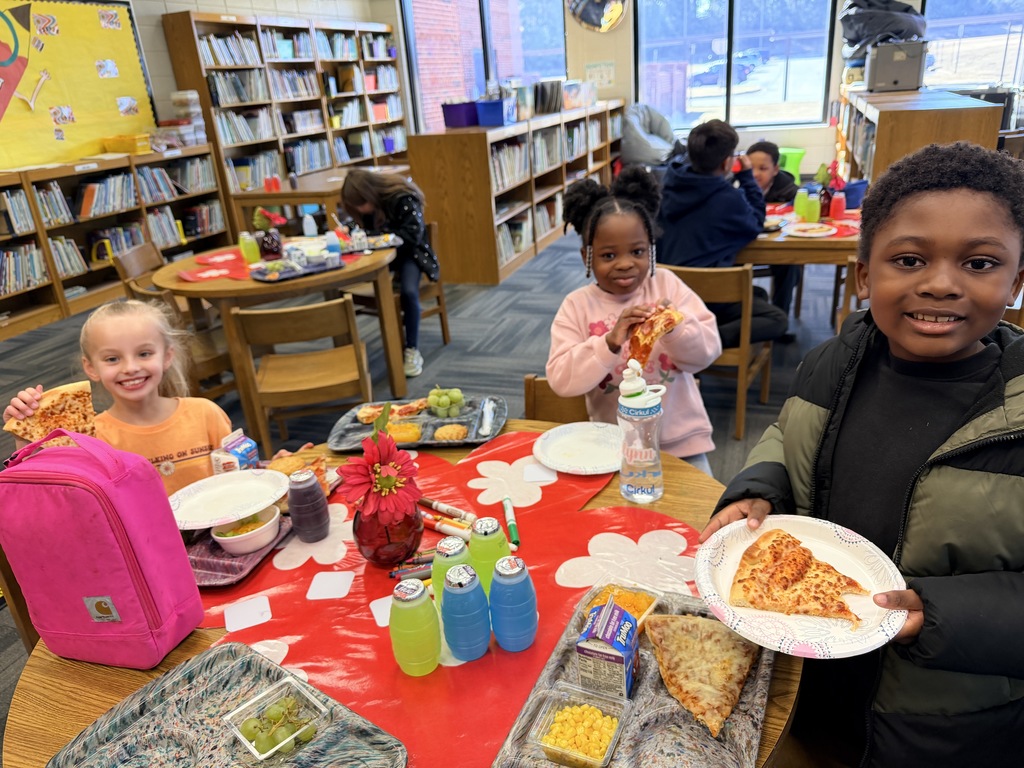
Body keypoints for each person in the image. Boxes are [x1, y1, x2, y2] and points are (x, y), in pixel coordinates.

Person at [698, 142, 1024, 768]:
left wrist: (946, 615)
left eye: (980, 263)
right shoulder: (832, 365)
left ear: (1016, 282)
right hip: (812, 671)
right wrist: (757, 488)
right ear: (864, 274)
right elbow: (785, 442)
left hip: (942, 724)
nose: (941, 283)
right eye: (909, 259)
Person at [546, 167, 722, 475]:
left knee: (700, 517)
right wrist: (609, 342)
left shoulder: (667, 285)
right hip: (613, 447)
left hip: (680, 442)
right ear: (586, 255)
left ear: (651, 249)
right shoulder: (577, 305)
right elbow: (561, 380)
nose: (626, 264)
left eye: (638, 251)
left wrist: (675, 328)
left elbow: (708, 352)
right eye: (608, 256)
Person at [3, 300, 232, 495]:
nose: (130, 368)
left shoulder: (206, 414)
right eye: (112, 359)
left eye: (144, 354)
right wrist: (27, 442)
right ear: (91, 368)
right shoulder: (89, 441)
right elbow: (55, 497)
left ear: (166, 356)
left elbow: (237, 479)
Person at [655, 119, 788, 347]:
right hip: (705, 295)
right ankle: (704, 339)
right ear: (728, 162)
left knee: (757, 295)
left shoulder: (669, 183)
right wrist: (746, 176)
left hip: (667, 291)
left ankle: (690, 332)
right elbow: (756, 223)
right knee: (777, 320)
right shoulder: (727, 198)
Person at [341, 169, 440, 378]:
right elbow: (361, 226)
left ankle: (411, 349)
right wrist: (350, 230)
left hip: (411, 254)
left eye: (361, 204)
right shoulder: (368, 208)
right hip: (381, 256)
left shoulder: (403, 198)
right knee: (345, 285)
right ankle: (344, 354)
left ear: (370, 194)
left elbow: (412, 236)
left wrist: (375, 236)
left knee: (408, 293)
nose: (361, 210)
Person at [747, 140, 801, 319]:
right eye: (751, 168)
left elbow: (796, 217)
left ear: (775, 170)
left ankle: (780, 315)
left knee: (789, 265)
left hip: (776, 242)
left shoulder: (788, 189)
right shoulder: (737, 185)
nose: (755, 174)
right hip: (746, 243)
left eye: (762, 169)